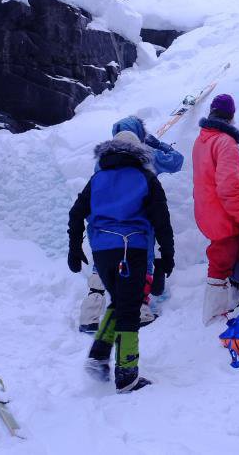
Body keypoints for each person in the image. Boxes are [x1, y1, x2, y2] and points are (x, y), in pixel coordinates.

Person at [67, 130, 175, 393]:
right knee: (130, 308)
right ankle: (127, 374)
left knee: (120, 302)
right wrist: (167, 254)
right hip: (132, 251)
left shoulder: (97, 179)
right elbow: (161, 220)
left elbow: (76, 212)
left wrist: (74, 247)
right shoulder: (146, 178)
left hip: (102, 253)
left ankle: (99, 356)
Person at [79, 116, 183, 333]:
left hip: (104, 223)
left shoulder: (104, 159)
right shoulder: (149, 155)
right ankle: (141, 310)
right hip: (138, 223)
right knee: (140, 263)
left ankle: (90, 314)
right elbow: (176, 161)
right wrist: (155, 143)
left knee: (102, 265)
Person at [192, 94, 239, 325]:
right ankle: (214, 313)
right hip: (221, 214)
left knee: (222, 254)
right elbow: (228, 187)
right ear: (232, 115)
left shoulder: (202, 140)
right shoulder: (225, 142)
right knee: (222, 259)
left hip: (205, 210)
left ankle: (228, 299)